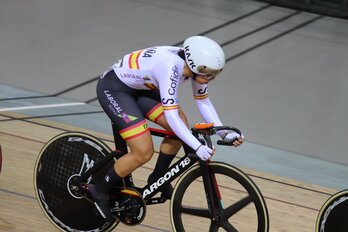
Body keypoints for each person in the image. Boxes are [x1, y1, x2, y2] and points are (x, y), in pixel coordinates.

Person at [88, 35, 245, 221]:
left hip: (142, 87)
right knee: (143, 151)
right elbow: (170, 116)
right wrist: (196, 146)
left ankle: (158, 177)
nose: (211, 78)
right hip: (115, 89)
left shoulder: (193, 68)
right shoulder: (170, 66)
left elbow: (202, 101)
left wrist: (223, 132)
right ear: (195, 66)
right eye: (208, 73)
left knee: (181, 122)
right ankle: (99, 190)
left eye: (215, 73)